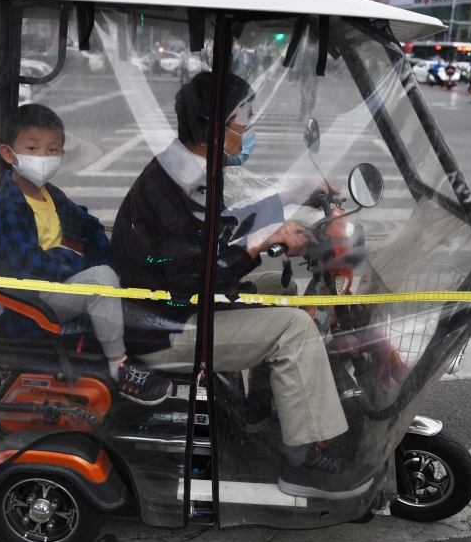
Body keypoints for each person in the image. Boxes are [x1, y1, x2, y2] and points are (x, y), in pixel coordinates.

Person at [111, 72, 362, 499]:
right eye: (244, 116)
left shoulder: (187, 167)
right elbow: (190, 281)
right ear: (213, 125)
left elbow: (223, 226)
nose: (249, 127)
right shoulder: (172, 185)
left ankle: (260, 412)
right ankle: (302, 464)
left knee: (275, 290)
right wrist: (262, 241)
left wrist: (290, 197)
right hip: (161, 326)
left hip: (168, 308)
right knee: (295, 329)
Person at [0, 103, 173, 406]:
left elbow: (89, 225)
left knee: (110, 278)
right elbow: (28, 268)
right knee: (101, 281)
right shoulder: (9, 205)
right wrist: (90, 269)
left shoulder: (49, 194)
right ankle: (118, 366)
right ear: (8, 154)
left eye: (52, 150)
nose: (43, 158)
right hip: (28, 305)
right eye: (32, 148)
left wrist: (105, 262)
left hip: (52, 289)